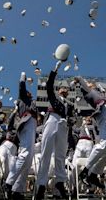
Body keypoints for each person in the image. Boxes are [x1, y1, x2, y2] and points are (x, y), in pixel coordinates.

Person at [35, 61, 76, 200]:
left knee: (60, 155)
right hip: (52, 119)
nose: (64, 89)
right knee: (46, 152)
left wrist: (70, 121)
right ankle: (41, 184)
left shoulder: (70, 104)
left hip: (64, 124)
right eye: (62, 88)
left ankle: (60, 183)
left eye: (66, 88)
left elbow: (73, 117)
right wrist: (55, 70)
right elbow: (49, 85)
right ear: (59, 91)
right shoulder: (53, 97)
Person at [75, 76, 106, 189]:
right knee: (103, 145)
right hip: (104, 113)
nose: (90, 83)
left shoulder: (99, 92)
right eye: (88, 83)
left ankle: (93, 174)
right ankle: (85, 172)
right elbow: (82, 83)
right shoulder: (89, 92)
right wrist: (79, 79)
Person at [4, 72, 38, 199]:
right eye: (28, 92)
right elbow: (21, 86)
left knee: (28, 160)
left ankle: (17, 190)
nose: (30, 93)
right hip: (26, 122)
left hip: (32, 125)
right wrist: (23, 75)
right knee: (24, 154)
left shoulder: (32, 102)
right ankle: (8, 183)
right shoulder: (22, 98)